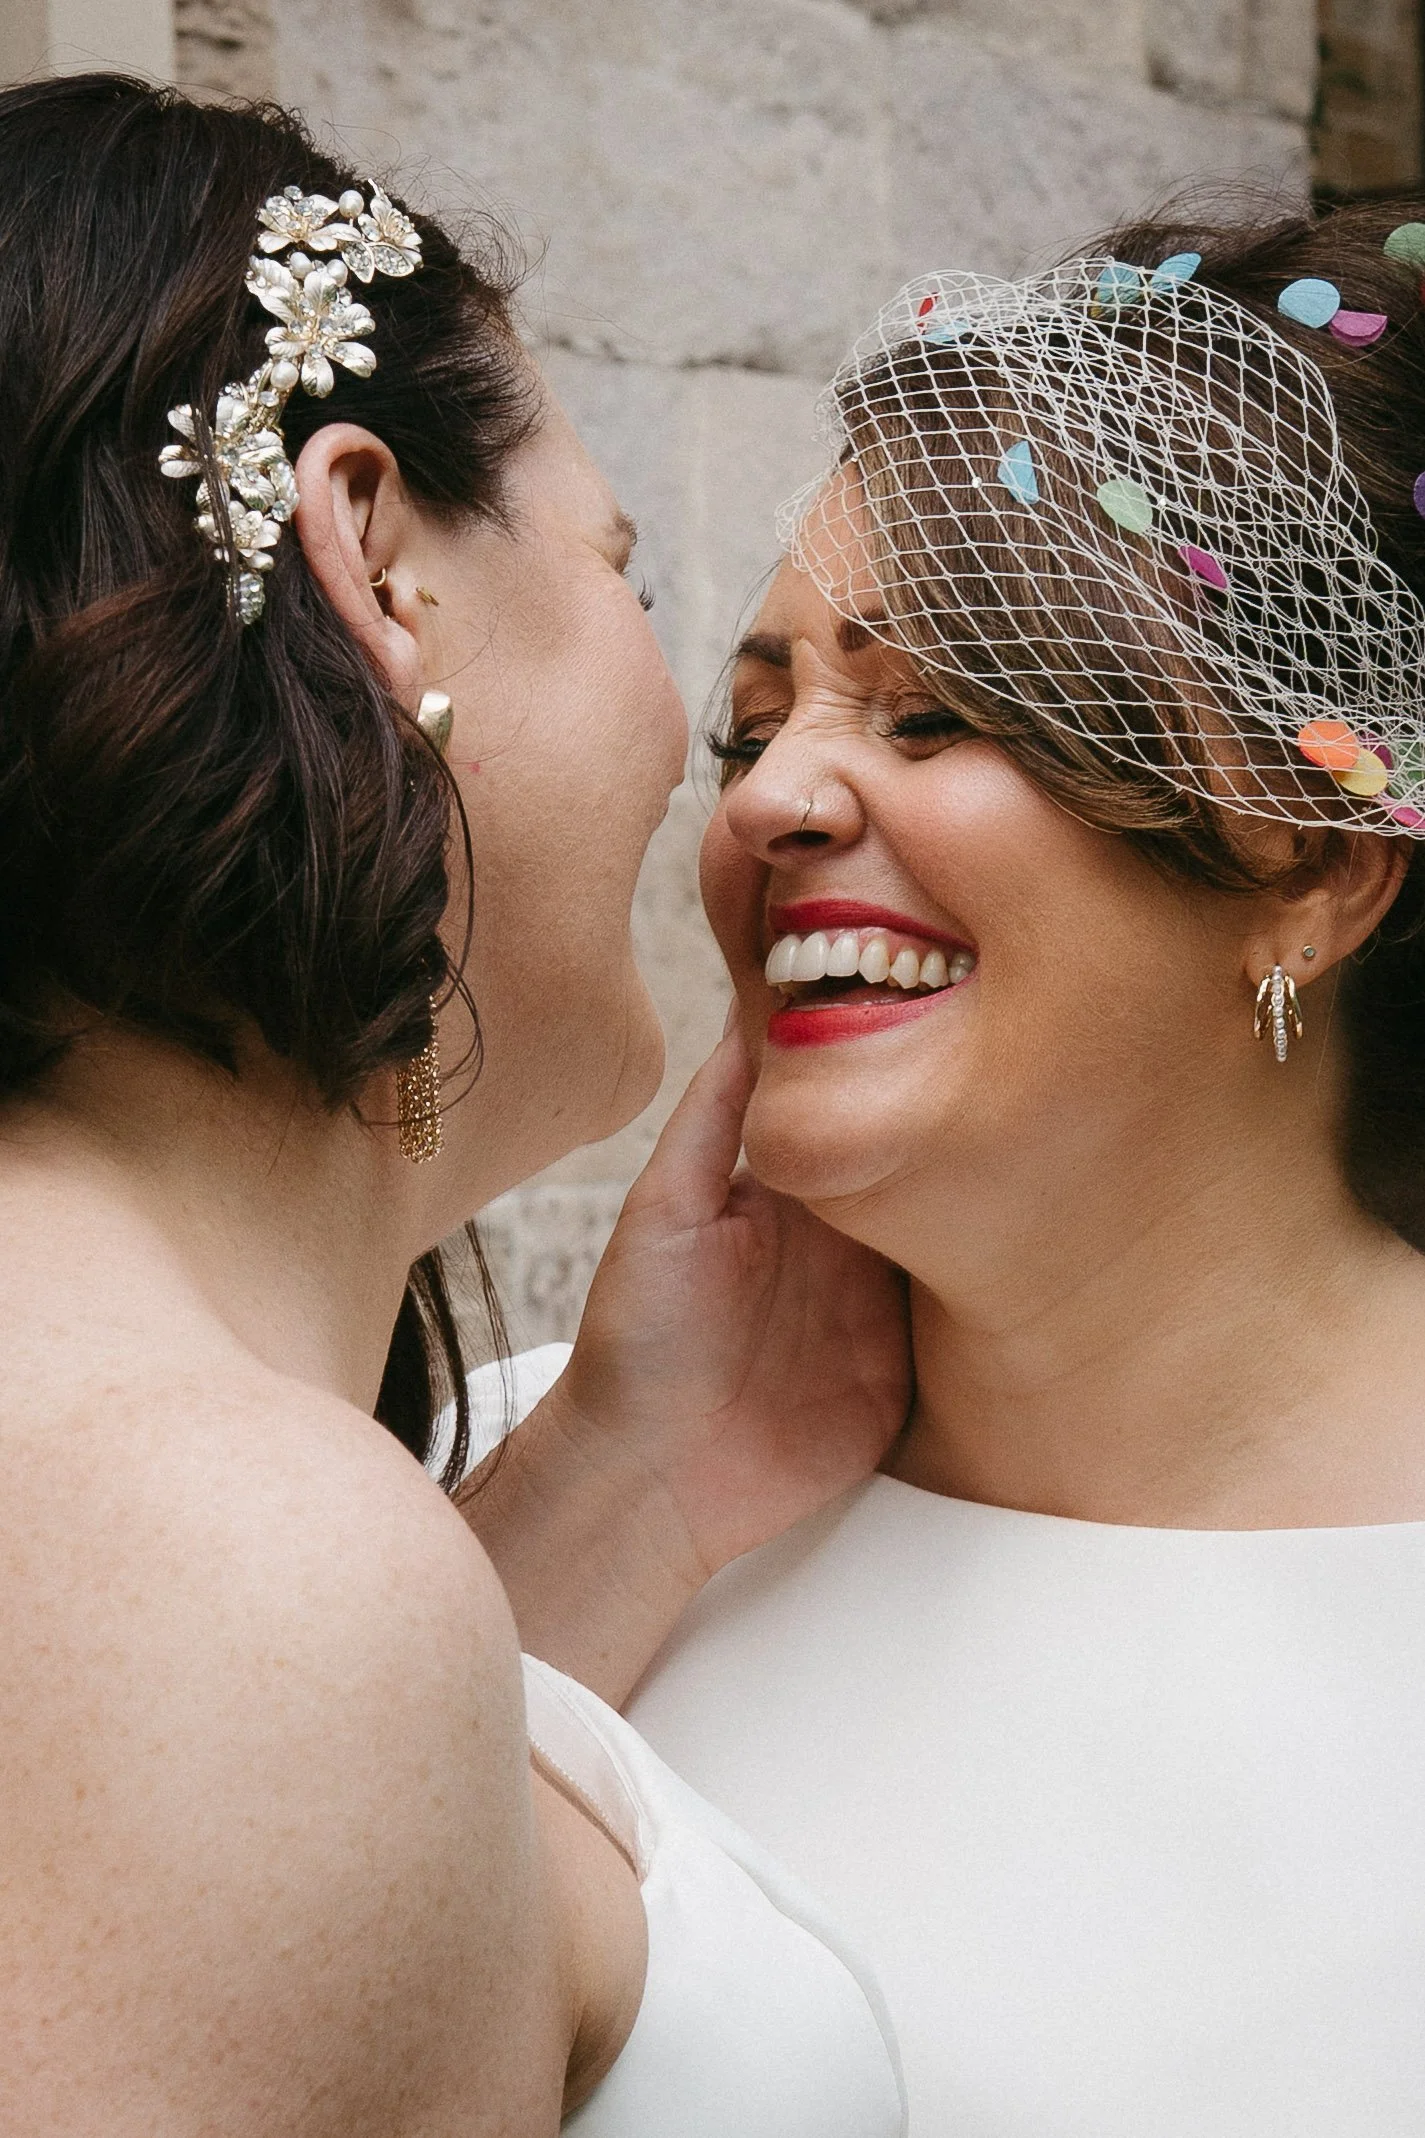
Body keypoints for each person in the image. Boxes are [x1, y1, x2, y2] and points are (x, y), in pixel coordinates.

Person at [0, 75, 914, 2136]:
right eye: (634, 583)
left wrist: (622, 1471)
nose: (734, 776)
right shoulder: (226, 1560)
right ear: (374, 556)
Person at [492, 203, 1425, 2134]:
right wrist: (617, 1482)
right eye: (754, 727)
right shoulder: (526, 1492)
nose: (767, 800)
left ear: (1313, 869)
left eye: (933, 712)